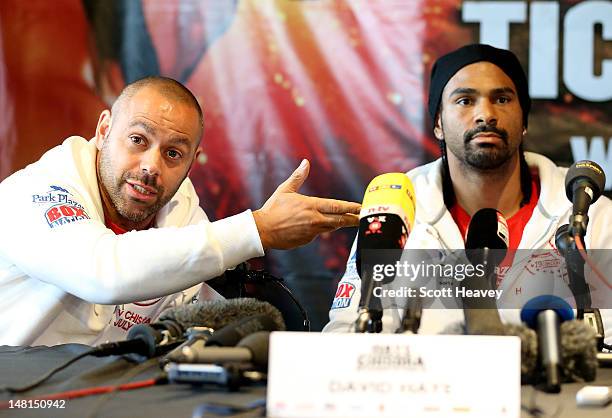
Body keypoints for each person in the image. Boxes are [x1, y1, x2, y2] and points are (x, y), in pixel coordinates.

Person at [0, 76, 360, 346]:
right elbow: (105, 272)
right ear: (104, 129)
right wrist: (258, 229)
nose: (150, 166)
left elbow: (194, 315)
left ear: (191, 161)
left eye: (173, 153)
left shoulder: (180, 212)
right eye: (138, 140)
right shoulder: (34, 192)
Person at [324, 44, 612, 344]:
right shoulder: (395, 210)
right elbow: (344, 338)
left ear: (524, 120)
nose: (485, 114)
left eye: (501, 99)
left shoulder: (589, 213)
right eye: (465, 100)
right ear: (438, 123)